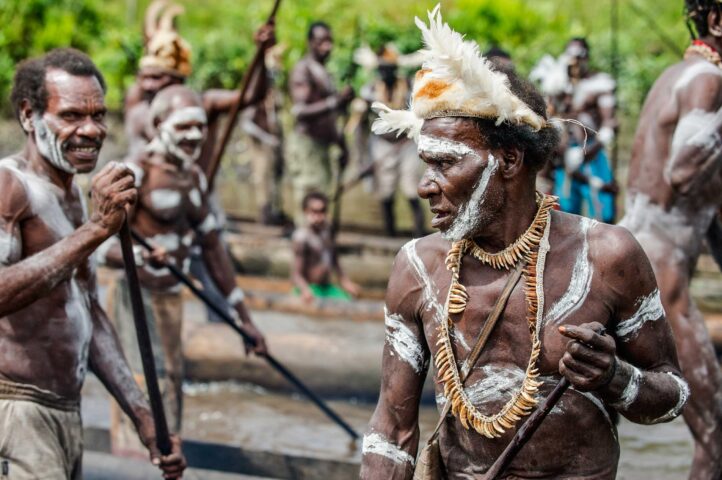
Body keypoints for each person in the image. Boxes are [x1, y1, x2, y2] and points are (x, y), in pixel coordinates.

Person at [361, 8, 688, 478]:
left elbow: (672, 397)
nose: (425, 186)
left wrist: (616, 378)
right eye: (424, 164)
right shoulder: (417, 268)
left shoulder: (606, 257)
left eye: (446, 164)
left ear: (509, 160)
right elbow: (392, 432)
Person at [0, 48, 185, 479]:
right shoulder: (10, 186)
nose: (90, 130)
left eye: (99, 115)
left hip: (65, 409)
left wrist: (143, 416)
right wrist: (97, 230)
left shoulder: (75, 193)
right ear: (30, 116)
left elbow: (86, 313)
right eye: (70, 116)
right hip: (15, 410)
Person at [100, 85, 268, 457]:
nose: (194, 136)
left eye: (200, 128)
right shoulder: (135, 173)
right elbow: (102, 246)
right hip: (135, 295)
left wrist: (244, 319)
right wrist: (141, 259)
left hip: (171, 296)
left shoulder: (194, 179)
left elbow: (212, 248)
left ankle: (167, 452)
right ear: (159, 124)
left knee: (172, 379)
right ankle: (132, 458)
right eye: (184, 127)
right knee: (141, 377)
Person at [618, 1, 722, 477]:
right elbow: (682, 171)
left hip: (628, 255)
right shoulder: (708, 82)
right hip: (660, 279)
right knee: (717, 441)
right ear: (716, 21)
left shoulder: (676, 75)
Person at [289, 21, 354, 223]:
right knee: (310, 202)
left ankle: (321, 247)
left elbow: (329, 115)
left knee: (323, 201)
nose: (327, 47)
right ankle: (306, 247)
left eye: (329, 42)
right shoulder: (303, 70)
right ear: (310, 43)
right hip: (307, 146)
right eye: (321, 42)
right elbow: (300, 111)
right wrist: (336, 101)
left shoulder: (324, 72)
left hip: (323, 147)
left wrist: (341, 145)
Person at [359, 44, 426, 237]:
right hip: (381, 145)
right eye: (383, 69)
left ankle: (419, 235)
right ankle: (390, 235)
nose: (386, 73)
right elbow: (360, 122)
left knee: (411, 190)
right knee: (385, 192)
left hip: (406, 144)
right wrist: (363, 157)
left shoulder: (409, 85)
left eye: (390, 69)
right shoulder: (370, 89)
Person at [552, 38, 618, 223]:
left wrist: (588, 151)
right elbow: (552, 117)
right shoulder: (558, 85)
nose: (576, 62)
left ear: (587, 57)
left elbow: (609, 123)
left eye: (580, 56)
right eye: (571, 56)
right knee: (564, 213)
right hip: (565, 156)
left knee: (602, 212)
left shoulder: (599, 84)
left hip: (592, 153)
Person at [240, 45, 286, 225]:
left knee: (275, 175)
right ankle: (265, 212)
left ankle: (275, 211)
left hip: (273, 141)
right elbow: (246, 123)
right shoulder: (256, 92)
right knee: (262, 175)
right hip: (260, 143)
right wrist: (267, 138)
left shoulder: (273, 93)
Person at [291, 192, 360, 302]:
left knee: (349, 300)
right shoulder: (301, 238)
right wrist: (305, 290)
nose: (318, 216)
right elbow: (296, 275)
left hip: (326, 288)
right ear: (306, 212)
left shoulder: (328, 232)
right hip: (309, 288)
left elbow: (334, 261)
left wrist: (345, 282)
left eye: (322, 211)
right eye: (314, 211)